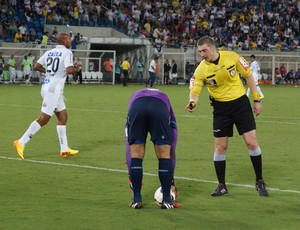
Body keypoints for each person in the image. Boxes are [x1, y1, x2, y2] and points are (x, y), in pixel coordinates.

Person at [185, 36, 268, 197]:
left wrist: (257, 99)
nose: (202, 54)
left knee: (251, 143)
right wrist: (192, 102)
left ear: (213, 48)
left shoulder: (232, 56)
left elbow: (249, 76)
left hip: (241, 105)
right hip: (221, 109)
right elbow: (195, 89)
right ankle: (221, 185)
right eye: (200, 51)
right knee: (220, 147)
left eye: (204, 50)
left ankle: (259, 180)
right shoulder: (201, 69)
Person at [13, 32, 79, 160]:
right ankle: (20, 142)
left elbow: (37, 66)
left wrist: (49, 73)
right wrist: (76, 69)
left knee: (63, 117)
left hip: (49, 87)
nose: (70, 41)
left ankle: (64, 149)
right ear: (63, 40)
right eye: (68, 39)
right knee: (43, 119)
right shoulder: (67, 52)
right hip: (53, 90)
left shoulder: (49, 52)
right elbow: (70, 70)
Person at [125, 88, 181, 209]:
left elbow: (128, 150)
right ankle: (167, 199)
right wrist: (171, 176)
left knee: (135, 153)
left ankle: (136, 199)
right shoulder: (165, 100)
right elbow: (174, 136)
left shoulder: (133, 100)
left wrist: (131, 174)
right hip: (159, 107)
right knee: (164, 154)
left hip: (137, 108)